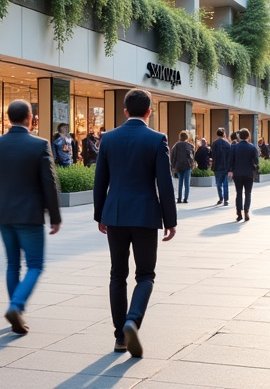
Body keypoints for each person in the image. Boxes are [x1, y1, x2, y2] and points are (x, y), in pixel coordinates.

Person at [93, 89, 177, 358]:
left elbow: (100, 181)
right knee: (146, 275)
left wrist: (100, 215)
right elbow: (164, 183)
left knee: (117, 274)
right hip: (144, 215)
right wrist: (170, 220)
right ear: (149, 112)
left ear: (125, 111)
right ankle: (133, 320)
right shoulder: (157, 139)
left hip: (115, 215)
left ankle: (120, 336)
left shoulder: (108, 138)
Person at [0, 101, 62, 335]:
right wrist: (55, 216)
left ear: (8, 118)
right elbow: (49, 183)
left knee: (12, 265)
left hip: (4, 214)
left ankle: (16, 313)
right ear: (30, 117)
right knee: (35, 265)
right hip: (30, 215)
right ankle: (16, 306)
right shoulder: (38, 144)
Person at [228, 129, 259, 222]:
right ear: (248, 136)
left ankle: (239, 213)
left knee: (239, 193)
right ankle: (246, 211)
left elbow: (230, 160)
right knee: (248, 193)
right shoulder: (252, 147)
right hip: (249, 173)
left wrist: (230, 170)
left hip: (237, 173)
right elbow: (256, 161)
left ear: (239, 137)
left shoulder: (234, 147)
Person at [170, 131, 194, 204]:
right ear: (187, 137)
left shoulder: (176, 145)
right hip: (187, 166)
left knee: (180, 183)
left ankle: (179, 198)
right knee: (187, 183)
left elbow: (173, 156)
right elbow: (192, 157)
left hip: (179, 166)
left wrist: (173, 165)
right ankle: (185, 198)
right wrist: (192, 165)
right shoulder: (189, 146)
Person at [210, 128, 232, 207]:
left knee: (218, 184)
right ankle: (226, 199)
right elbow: (229, 157)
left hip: (217, 166)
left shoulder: (214, 144)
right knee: (225, 184)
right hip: (225, 166)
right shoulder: (227, 144)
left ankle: (220, 198)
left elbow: (212, 155)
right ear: (224, 134)